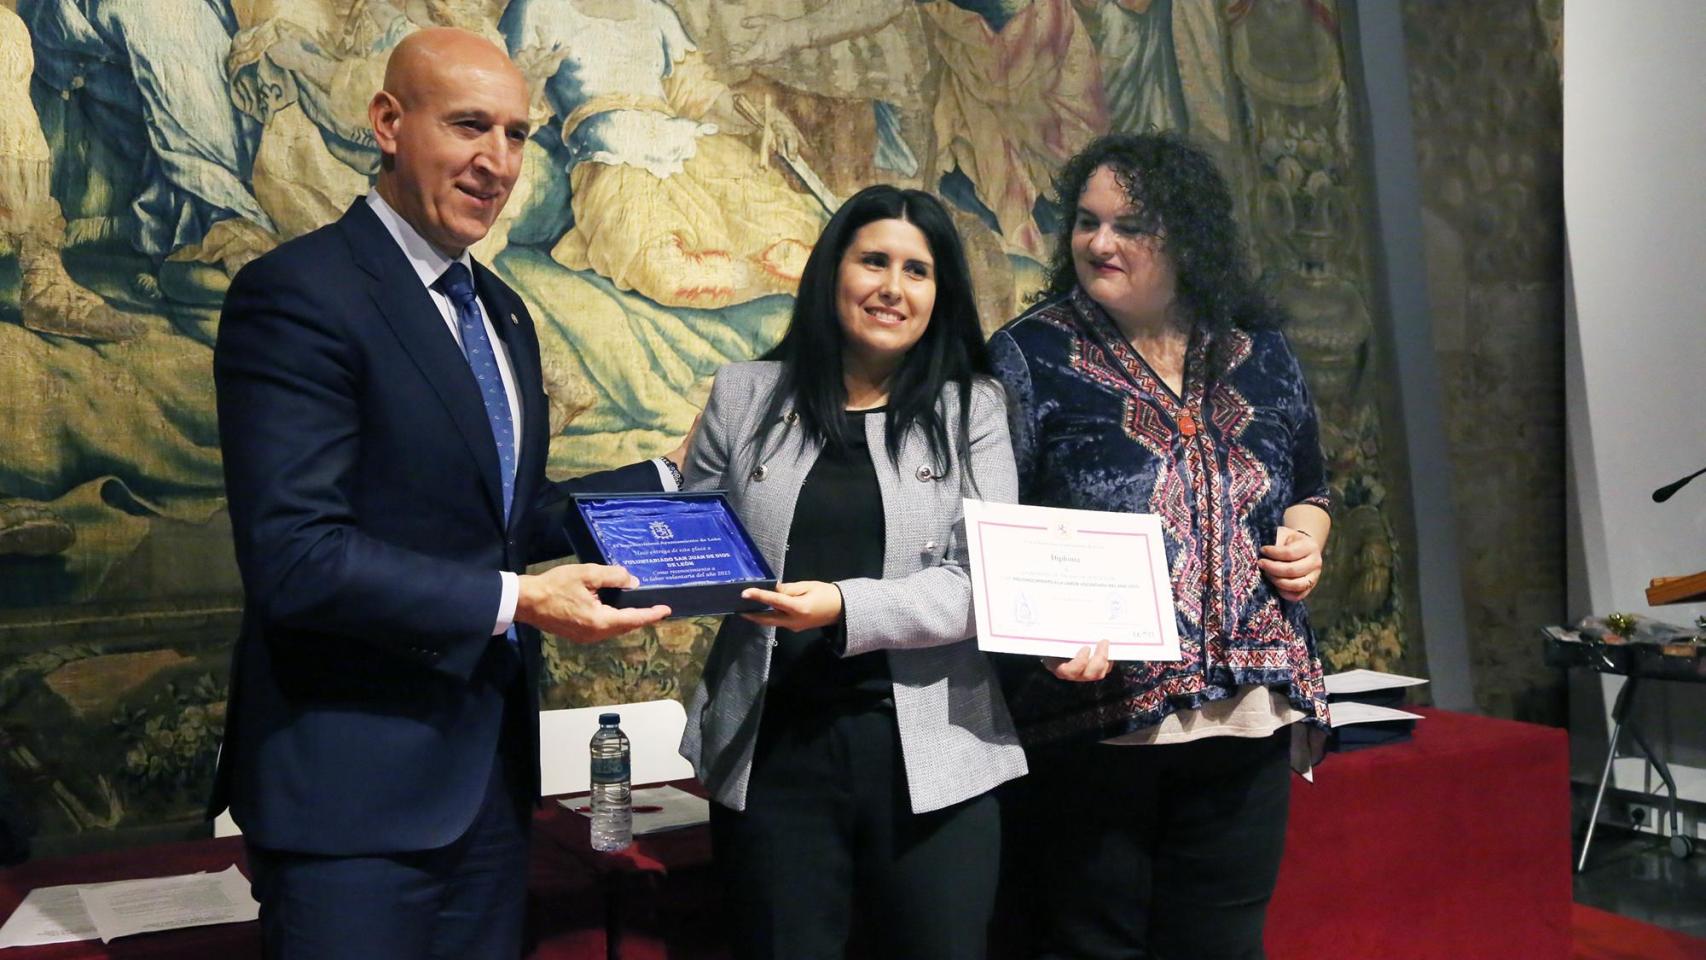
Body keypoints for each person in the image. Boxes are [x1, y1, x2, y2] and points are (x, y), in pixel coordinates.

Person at [211, 28, 688, 960]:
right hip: (349, 801)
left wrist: (673, 479)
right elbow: (296, 557)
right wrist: (520, 601)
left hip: (489, 793)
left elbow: (503, 513)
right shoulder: (298, 293)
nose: (498, 162)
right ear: (388, 122)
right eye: (470, 126)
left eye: (516, 135)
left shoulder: (499, 309)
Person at [988, 131, 1332, 959]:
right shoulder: (1028, 355)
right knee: (1092, 944)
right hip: (1099, 715)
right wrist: (1042, 634)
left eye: (1129, 224)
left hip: (1249, 710)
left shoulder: (1260, 353)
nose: (1099, 242)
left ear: (1186, 235)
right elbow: (988, 524)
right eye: (1085, 220)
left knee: (1222, 946)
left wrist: (1307, 541)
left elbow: (1312, 488)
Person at [678, 185, 1026, 960]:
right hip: (775, 751)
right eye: (874, 261)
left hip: (936, 755)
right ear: (835, 270)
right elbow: (694, 539)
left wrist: (841, 605)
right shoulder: (744, 394)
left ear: (941, 294)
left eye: (917, 270)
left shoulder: (974, 409)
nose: (892, 288)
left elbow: (981, 583)